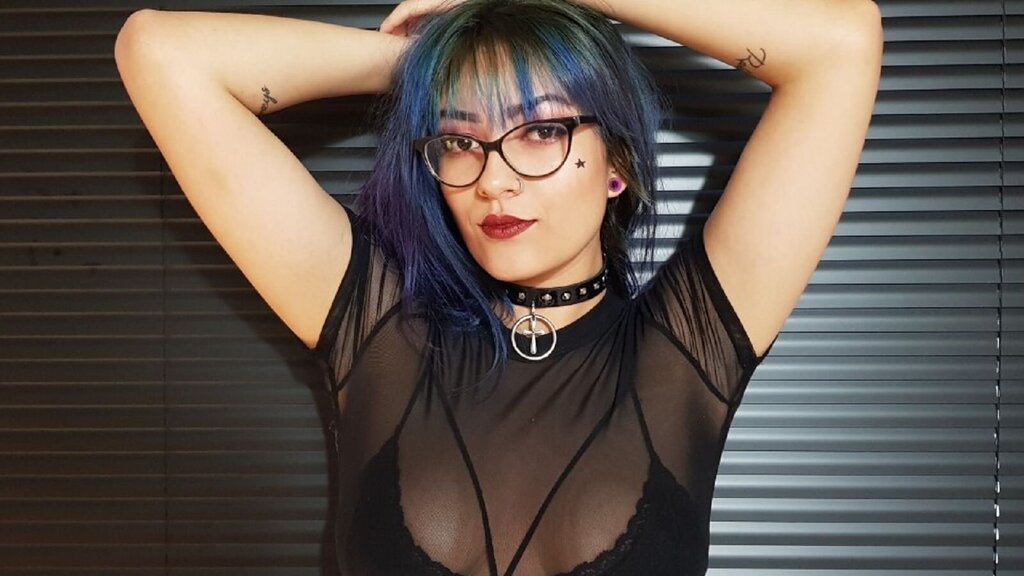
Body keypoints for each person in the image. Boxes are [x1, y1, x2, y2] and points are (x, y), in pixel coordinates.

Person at [114, 0, 882, 573]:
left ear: (616, 165)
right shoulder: (379, 328)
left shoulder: (685, 350)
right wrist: (441, 61)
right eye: (460, 139)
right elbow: (159, 50)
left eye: (541, 130)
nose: (494, 180)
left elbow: (840, 46)